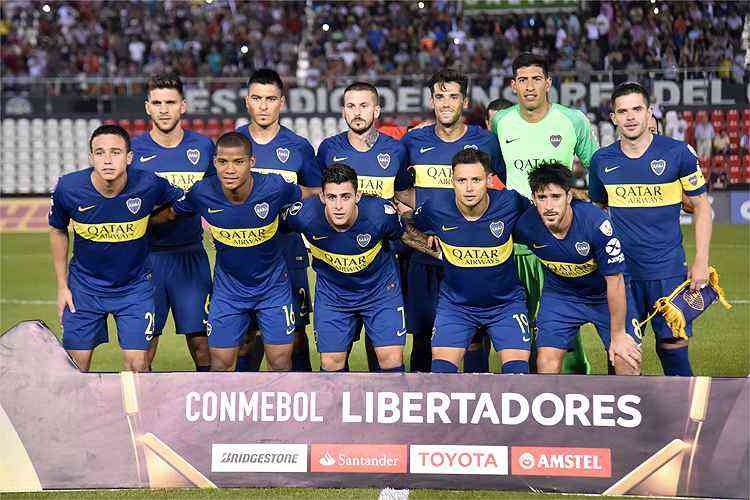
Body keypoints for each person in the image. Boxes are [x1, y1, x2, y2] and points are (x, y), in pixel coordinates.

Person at [589, 82, 712, 376]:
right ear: (613, 117)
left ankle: (683, 421)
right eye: (622, 111)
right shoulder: (601, 161)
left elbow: (703, 207)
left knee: (673, 350)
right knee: (622, 355)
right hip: (622, 275)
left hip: (666, 272)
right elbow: (599, 210)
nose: (630, 117)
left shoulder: (678, 153)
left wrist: (701, 261)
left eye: (637, 109)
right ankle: (625, 419)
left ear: (649, 113)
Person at [155, 132, 302, 372]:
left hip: (273, 289)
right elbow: (171, 213)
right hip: (229, 293)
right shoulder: (202, 191)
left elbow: (307, 198)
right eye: (223, 162)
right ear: (214, 163)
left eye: (238, 162)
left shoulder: (275, 186)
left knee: (280, 364)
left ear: (251, 163)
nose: (230, 169)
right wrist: (137, 221)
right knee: (221, 365)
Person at [490, 52, 597, 375]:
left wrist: (584, 202)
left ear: (548, 83)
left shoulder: (572, 120)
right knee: (519, 322)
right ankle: (529, 391)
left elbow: (598, 168)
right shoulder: (502, 121)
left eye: (537, 78)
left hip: (560, 241)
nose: (530, 86)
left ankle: (580, 381)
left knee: (565, 322)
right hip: (516, 242)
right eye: (523, 80)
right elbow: (497, 171)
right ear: (513, 85)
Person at [49, 125, 183, 372]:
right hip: (84, 289)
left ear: (129, 157)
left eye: (115, 152)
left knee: (138, 365)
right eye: (99, 153)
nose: (107, 160)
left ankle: (133, 413)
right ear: (91, 158)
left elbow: (183, 200)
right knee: (74, 368)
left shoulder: (149, 184)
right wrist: (62, 285)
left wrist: (157, 218)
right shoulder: (68, 188)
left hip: (135, 288)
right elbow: (58, 230)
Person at [396, 68, 503, 373]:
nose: (445, 103)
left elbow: (502, 194)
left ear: (464, 102)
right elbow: (401, 190)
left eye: (453, 96)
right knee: (423, 338)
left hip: (472, 257)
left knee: (474, 338)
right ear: (432, 100)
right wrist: (417, 216)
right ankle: (423, 412)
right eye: (439, 96)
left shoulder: (485, 142)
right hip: (425, 256)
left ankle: (475, 409)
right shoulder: (413, 141)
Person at [283, 164, 435, 372]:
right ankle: (338, 405)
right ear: (322, 197)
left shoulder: (379, 214)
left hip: (380, 293)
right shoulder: (304, 215)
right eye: (331, 197)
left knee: (390, 359)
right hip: (333, 296)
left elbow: (406, 235)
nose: (338, 205)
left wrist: (444, 253)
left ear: (358, 196)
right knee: (331, 363)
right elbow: (274, 226)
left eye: (345, 196)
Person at [402, 149, 531, 374]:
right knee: (441, 374)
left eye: (476, 180)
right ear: (452, 181)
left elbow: (538, 220)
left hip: (505, 305)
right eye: (461, 180)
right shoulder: (436, 207)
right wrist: (431, 246)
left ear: (489, 180)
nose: (469, 188)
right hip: (456, 306)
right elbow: (406, 225)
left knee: (518, 375)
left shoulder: (510, 202)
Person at [316, 82, 411, 372]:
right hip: (338, 267)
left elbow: (406, 200)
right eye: (351, 106)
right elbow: (320, 199)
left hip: (382, 263)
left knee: (386, 352)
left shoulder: (395, 150)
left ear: (377, 110)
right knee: (332, 360)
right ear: (344, 110)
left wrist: (399, 221)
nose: (357, 113)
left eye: (364, 105)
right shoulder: (329, 149)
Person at [515, 163, 641, 375]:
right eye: (541, 198)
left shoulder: (596, 223)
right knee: (546, 363)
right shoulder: (526, 225)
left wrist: (618, 335)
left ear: (569, 196)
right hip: (561, 296)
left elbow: (615, 281)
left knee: (625, 360)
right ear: (533, 199)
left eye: (556, 196)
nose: (548, 206)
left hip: (605, 295)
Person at [235, 68, 320, 372]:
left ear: (281, 102)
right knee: (245, 334)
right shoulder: (233, 145)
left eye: (270, 99)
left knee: (295, 332)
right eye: (257, 98)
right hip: (243, 253)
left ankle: (302, 404)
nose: (263, 105)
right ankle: (246, 408)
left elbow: (314, 194)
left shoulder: (299, 147)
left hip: (287, 250)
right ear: (247, 102)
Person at [131, 74, 215, 372]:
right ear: (147, 107)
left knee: (203, 345)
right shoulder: (133, 152)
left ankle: (211, 415)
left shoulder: (204, 148)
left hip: (190, 257)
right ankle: (142, 418)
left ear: (183, 106)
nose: (164, 109)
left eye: (170, 102)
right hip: (146, 260)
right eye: (157, 103)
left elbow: (218, 197)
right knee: (144, 347)